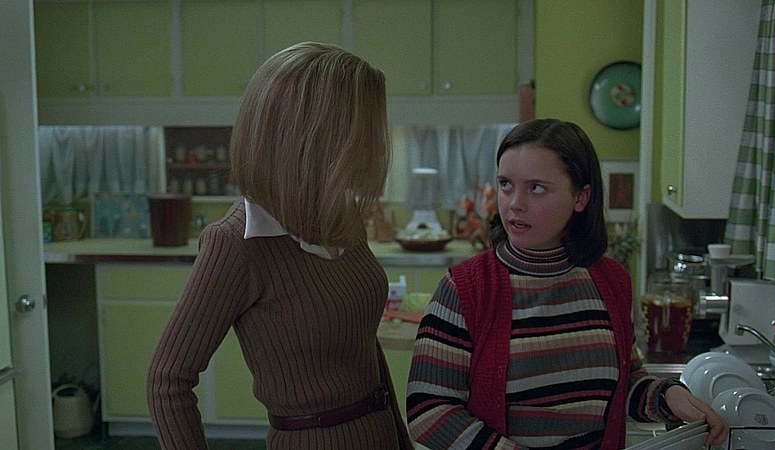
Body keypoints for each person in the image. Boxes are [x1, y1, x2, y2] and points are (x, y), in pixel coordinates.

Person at [147, 42, 412, 450]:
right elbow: (167, 382)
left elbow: (362, 348)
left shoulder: (341, 215)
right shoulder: (236, 243)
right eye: (361, 132)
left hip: (380, 433)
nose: (371, 147)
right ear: (314, 137)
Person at [406, 118, 728, 449]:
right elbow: (428, 411)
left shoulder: (611, 281)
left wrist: (668, 396)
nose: (515, 203)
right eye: (506, 184)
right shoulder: (465, 288)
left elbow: (621, 384)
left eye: (536, 188)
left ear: (580, 198)